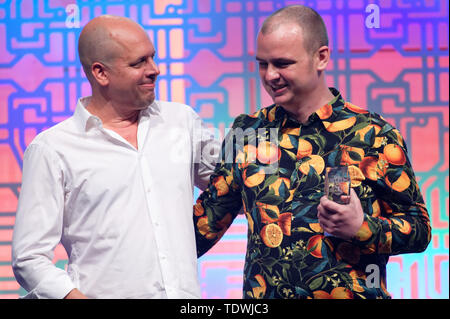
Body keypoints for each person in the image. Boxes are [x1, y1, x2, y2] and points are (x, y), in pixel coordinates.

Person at [193, 5, 431, 299]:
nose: (270, 75)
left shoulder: (374, 135)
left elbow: (419, 230)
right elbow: (204, 225)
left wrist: (362, 227)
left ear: (321, 57)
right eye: (262, 64)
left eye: (282, 63)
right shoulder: (249, 133)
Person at [12, 15, 219, 299]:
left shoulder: (181, 122)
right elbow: (29, 258)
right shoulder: (52, 149)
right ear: (101, 73)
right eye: (139, 63)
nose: (154, 70)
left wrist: (272, 131)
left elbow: (237, 184)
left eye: (152, 58)